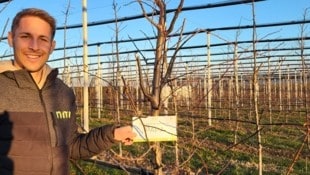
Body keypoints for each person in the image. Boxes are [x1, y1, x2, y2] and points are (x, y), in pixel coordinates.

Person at [0, 8, 136, 175]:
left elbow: (72, 146)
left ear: (52, 46)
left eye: (43, 39)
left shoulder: (63, 93)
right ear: (11, 39)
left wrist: (112, 134)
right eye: (25, 36)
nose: (34, 46)